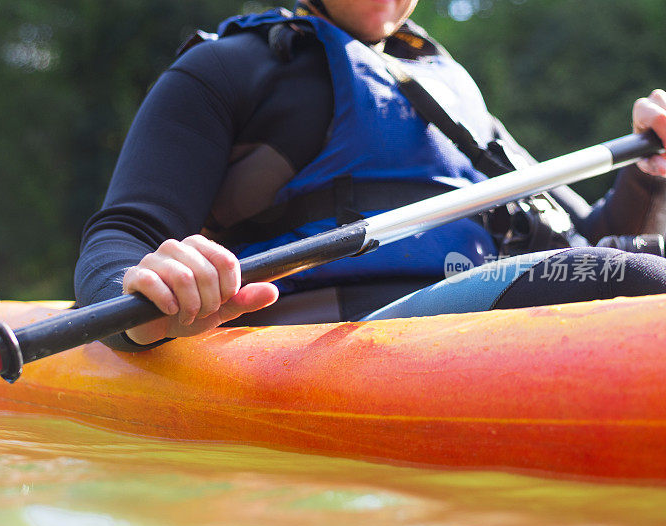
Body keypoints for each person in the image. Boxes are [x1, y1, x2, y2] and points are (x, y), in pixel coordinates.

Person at [75, 0, 666, 351]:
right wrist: (145, 296)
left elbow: (587, 240)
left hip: (484, 320)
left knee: (647, 259)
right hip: (326, 336)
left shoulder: (454, 94)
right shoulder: (229, 69)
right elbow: (122, 232)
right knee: (641, 276)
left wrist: (647, 175)